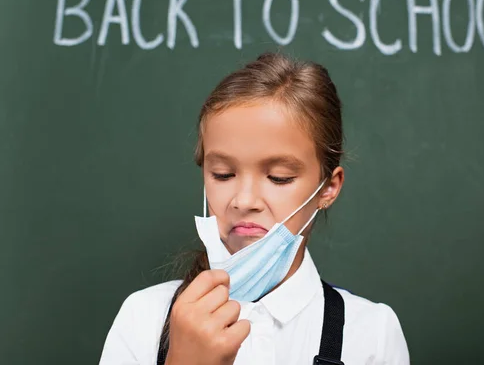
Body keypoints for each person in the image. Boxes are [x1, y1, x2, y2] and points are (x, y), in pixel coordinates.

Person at [99, 52, 410, 365]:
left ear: (327, 188)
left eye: (279, 178)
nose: (244, 201)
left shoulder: (372, 333)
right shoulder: (143, 319)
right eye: (223, 174)